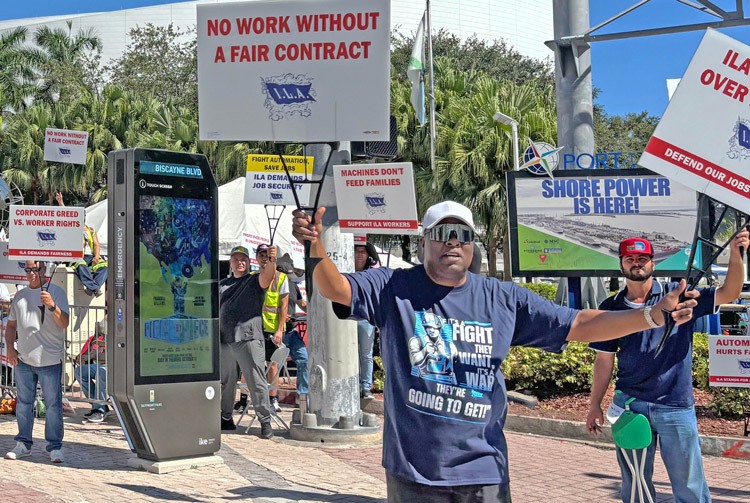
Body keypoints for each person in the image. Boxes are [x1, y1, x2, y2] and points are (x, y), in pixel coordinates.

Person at [292, 200, 700, 503]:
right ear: (424, 243)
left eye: (463, 235)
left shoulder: (502, 299)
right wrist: (316, 248)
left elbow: (579, 324)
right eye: (441, 234)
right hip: (413, 473)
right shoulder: (392, 287)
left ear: (473, 246)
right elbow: (337, 288)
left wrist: (652, 315)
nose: (453, 243)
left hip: (483, 470)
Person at [586, 232, 749, 503]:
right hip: (630, 406)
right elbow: (604, 360)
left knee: (689, 485)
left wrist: (735, 252)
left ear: (653, 263)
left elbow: (730, 292)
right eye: (630, 259)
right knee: (635, 484)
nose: (636, 263)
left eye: (642, 258)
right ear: (621, 264)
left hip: (676, 405)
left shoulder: (680, 295)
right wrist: (594, 405)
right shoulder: (609, 307)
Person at [4, 261, 70, 463]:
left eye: (36, 269)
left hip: (49, 360)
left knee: (52, 406)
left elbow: (64, 322)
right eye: (28, 270)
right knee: (23, 404)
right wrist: (9, 348)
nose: (32, 273)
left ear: (44, 270)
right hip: (24, 360)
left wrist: (52, 306)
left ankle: (55, 447)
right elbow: (11, 326)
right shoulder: (21, 296)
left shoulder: (57, 292)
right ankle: (23, 444)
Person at [220, 245, 276, 439]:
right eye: (235, 259)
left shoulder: (254, 280)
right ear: (230, 263)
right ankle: (226, 418)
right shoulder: (223, 284)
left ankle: (265, 421)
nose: (239, 262)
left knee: (256, 381)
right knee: (227, 382)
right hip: (225, 339)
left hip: (249, 338)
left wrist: (272, 260)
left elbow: (268, 276)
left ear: (249, 262)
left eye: (243, 259)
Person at [254, 244, 289, 413]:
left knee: (272, 364)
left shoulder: (281, 278)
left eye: (266, 254)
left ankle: (273, 399)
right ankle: (247, 399)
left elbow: (284, 306)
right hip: (254, 328)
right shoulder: (252, 276)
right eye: (260, 254)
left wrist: (280, 329)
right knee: (251, 363)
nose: (263, 257)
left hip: (271, 328)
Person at [56, 192, 108, 296]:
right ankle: (95, 288)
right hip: (78, 257)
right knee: (81, 266)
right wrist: (61, 202)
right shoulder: (73, 228)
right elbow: (67, 216)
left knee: (105, 267)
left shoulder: (91, 230)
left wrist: (97, 257)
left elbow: (97, 245)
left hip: (91, 257)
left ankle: (92, 287)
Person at [355, 239, 379, 399]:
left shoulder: (372, 275)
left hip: (366, 319)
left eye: (362, 252)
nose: (358, 255)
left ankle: (365, 387)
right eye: (356, 251)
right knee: (348, 354)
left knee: (366, 354)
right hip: (345, 319)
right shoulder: (344, 270)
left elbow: (377, 298)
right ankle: (352, 385)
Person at [74, 316, 109, 423]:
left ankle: (99, 409)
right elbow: (81, 357)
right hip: (98, 365)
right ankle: (97, 404)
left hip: (114, 367)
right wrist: (83, 357)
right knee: (79, 371)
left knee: (101, 372)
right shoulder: (94, 339)